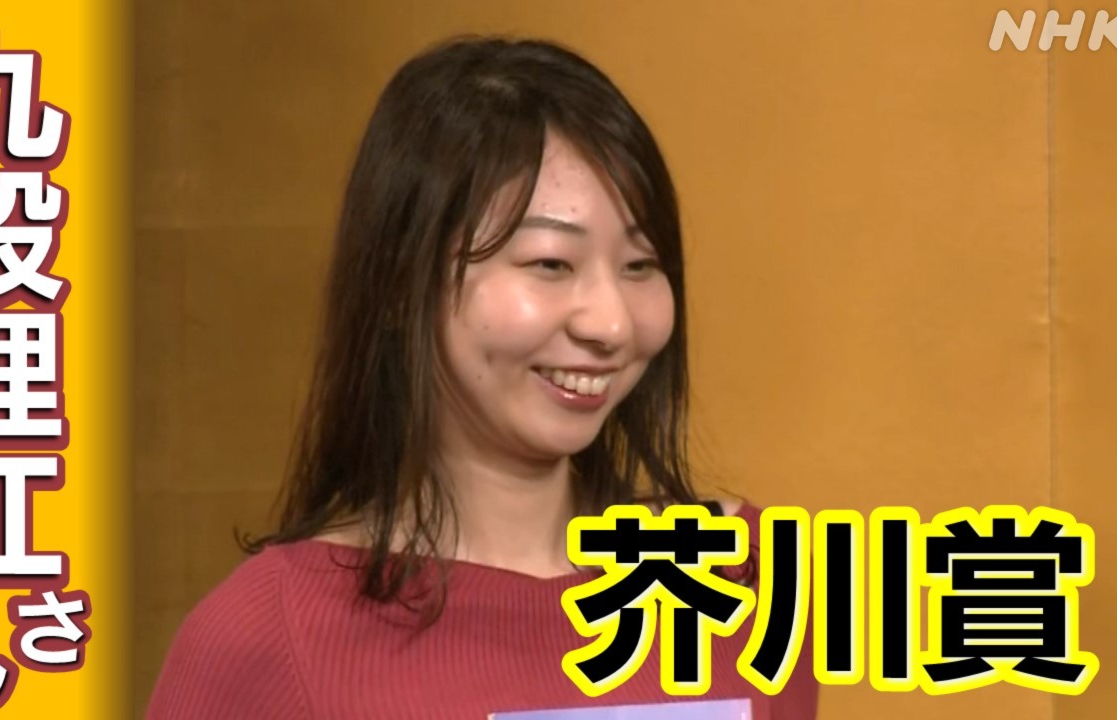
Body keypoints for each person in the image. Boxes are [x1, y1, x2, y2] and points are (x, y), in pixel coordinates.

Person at [147, 35, 818, 719]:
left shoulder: (748, 575)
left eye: (640, 266)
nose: (612, 324)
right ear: (400, 284)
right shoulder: (266, 634)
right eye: (551, 264)